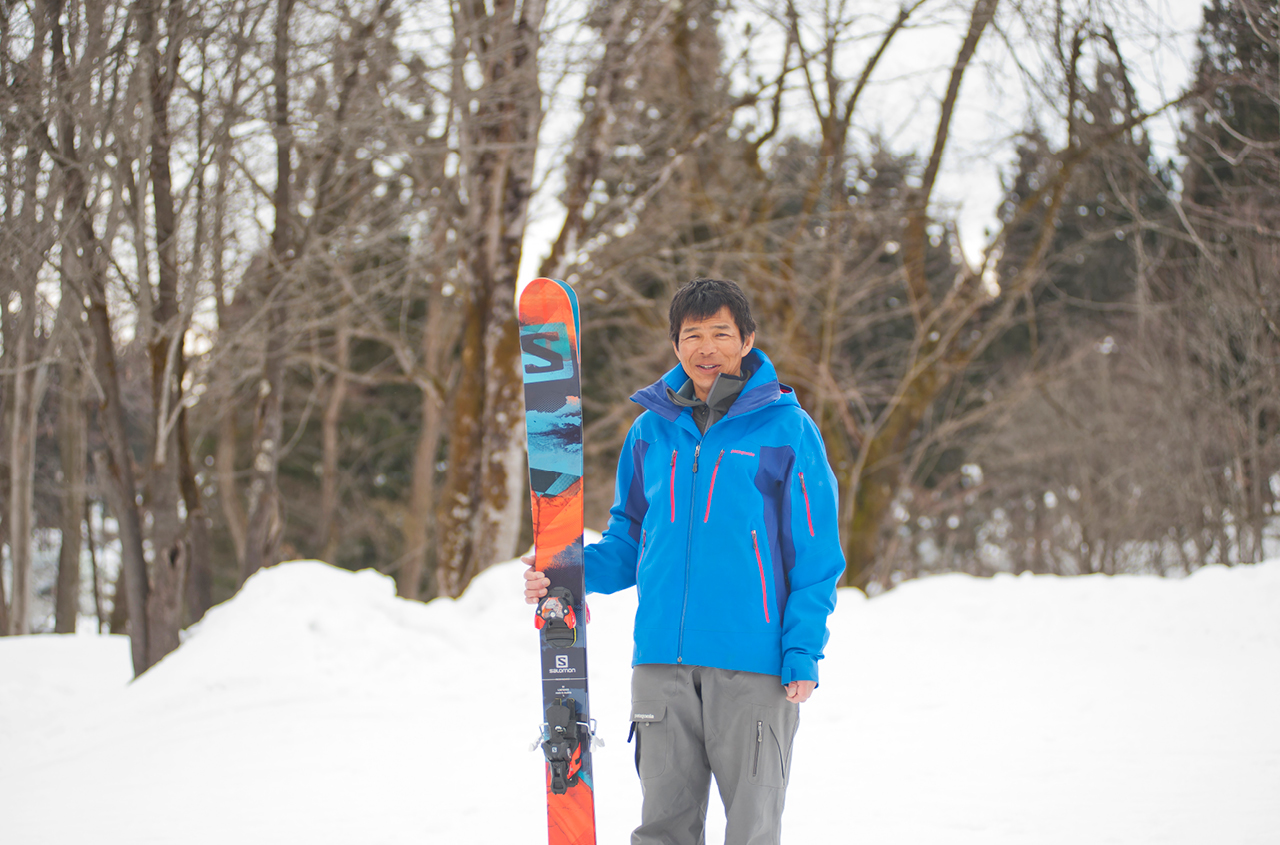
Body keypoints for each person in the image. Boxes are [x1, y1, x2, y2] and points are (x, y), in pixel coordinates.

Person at [524, 277, 845, 845]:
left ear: (747, 340)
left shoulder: (788, 430)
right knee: (662, 829)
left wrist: (801, 651)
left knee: (752, 829)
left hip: (752, 664)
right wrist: (567, 574)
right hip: (660, 663)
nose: (706, 348)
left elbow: (815, 558)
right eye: (692, 335)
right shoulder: (650, 431)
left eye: (721, 333)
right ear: (675, 345)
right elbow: (629, 541)